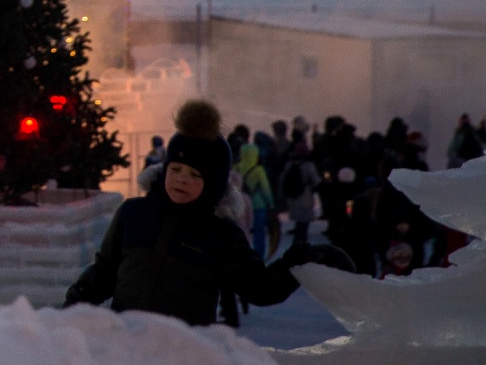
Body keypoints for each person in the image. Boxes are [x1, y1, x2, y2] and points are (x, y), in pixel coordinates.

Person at [63, 102, 303, 326]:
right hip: (126, 350)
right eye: (176, 169)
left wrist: (297, 263)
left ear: (212, 185)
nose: (181, 179)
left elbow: (260, 288)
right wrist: (75, 302)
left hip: (183, 356)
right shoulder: (134, 213)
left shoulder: (220, 235)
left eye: (195, 175)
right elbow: (105, 270)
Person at [278, 150, 322, 252]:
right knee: (304, 225)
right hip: (305, 197)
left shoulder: (289, 165)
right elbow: (316, 181)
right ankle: (301, 248)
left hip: (293, 198)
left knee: (298, 223)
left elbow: (282, 180)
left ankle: (296, 246)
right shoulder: (309, 165)